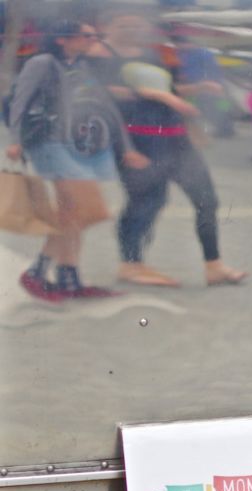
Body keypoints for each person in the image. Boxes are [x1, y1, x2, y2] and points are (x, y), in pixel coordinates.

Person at [91, 11, 247, 288]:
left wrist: (198, 88)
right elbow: (101, 92)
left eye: (137, 22)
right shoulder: (99, 54)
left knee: (207, 200)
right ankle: (130, 264)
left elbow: (171, 89)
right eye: (124, 23)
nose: (132, 27)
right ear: (108, 25)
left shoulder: (153, 53)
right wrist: (155, 95)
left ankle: (214, 265)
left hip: (176, 138)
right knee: (146, 202)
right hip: (137, 141)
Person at [6, 19, 147, 301]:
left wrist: (126, 147)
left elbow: (106, 107)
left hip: (80, 145)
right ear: (63, 38)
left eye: (95, 35)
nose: (93, 39)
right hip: (50, 143)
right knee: (91, 211)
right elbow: (19, 101)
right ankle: (37, 272)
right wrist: (15, 140)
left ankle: (68, 279)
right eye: (87, 35)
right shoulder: (43, 63)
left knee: (70, 213)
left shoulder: (82, 66)